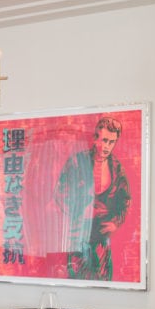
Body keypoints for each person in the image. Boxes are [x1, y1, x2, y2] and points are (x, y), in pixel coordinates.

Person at [54, 117, 130, 280]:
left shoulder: (116, 168)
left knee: (103, 282)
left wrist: (115, 223)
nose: (106, 147)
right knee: (76, 280)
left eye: (111, 142)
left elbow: (125, 200)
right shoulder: (76, 162)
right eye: (103, 140)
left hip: (101, 238)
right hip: (78, 235)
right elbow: (60, 191)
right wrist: (76, 214)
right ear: (95, 138)